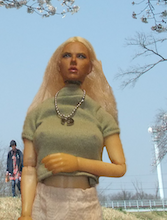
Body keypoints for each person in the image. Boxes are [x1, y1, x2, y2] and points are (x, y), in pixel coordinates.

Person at [19, 37, 126, 220]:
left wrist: (78, 164)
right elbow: (29, 167)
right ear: (58, 64)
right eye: (67, 55)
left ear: (90, 67)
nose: (74, 61)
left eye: (81, 56)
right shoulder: (37, 114)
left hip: (85, 207)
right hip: (43, 206)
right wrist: (26, 213)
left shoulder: (100, 116)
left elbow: (120, 167)